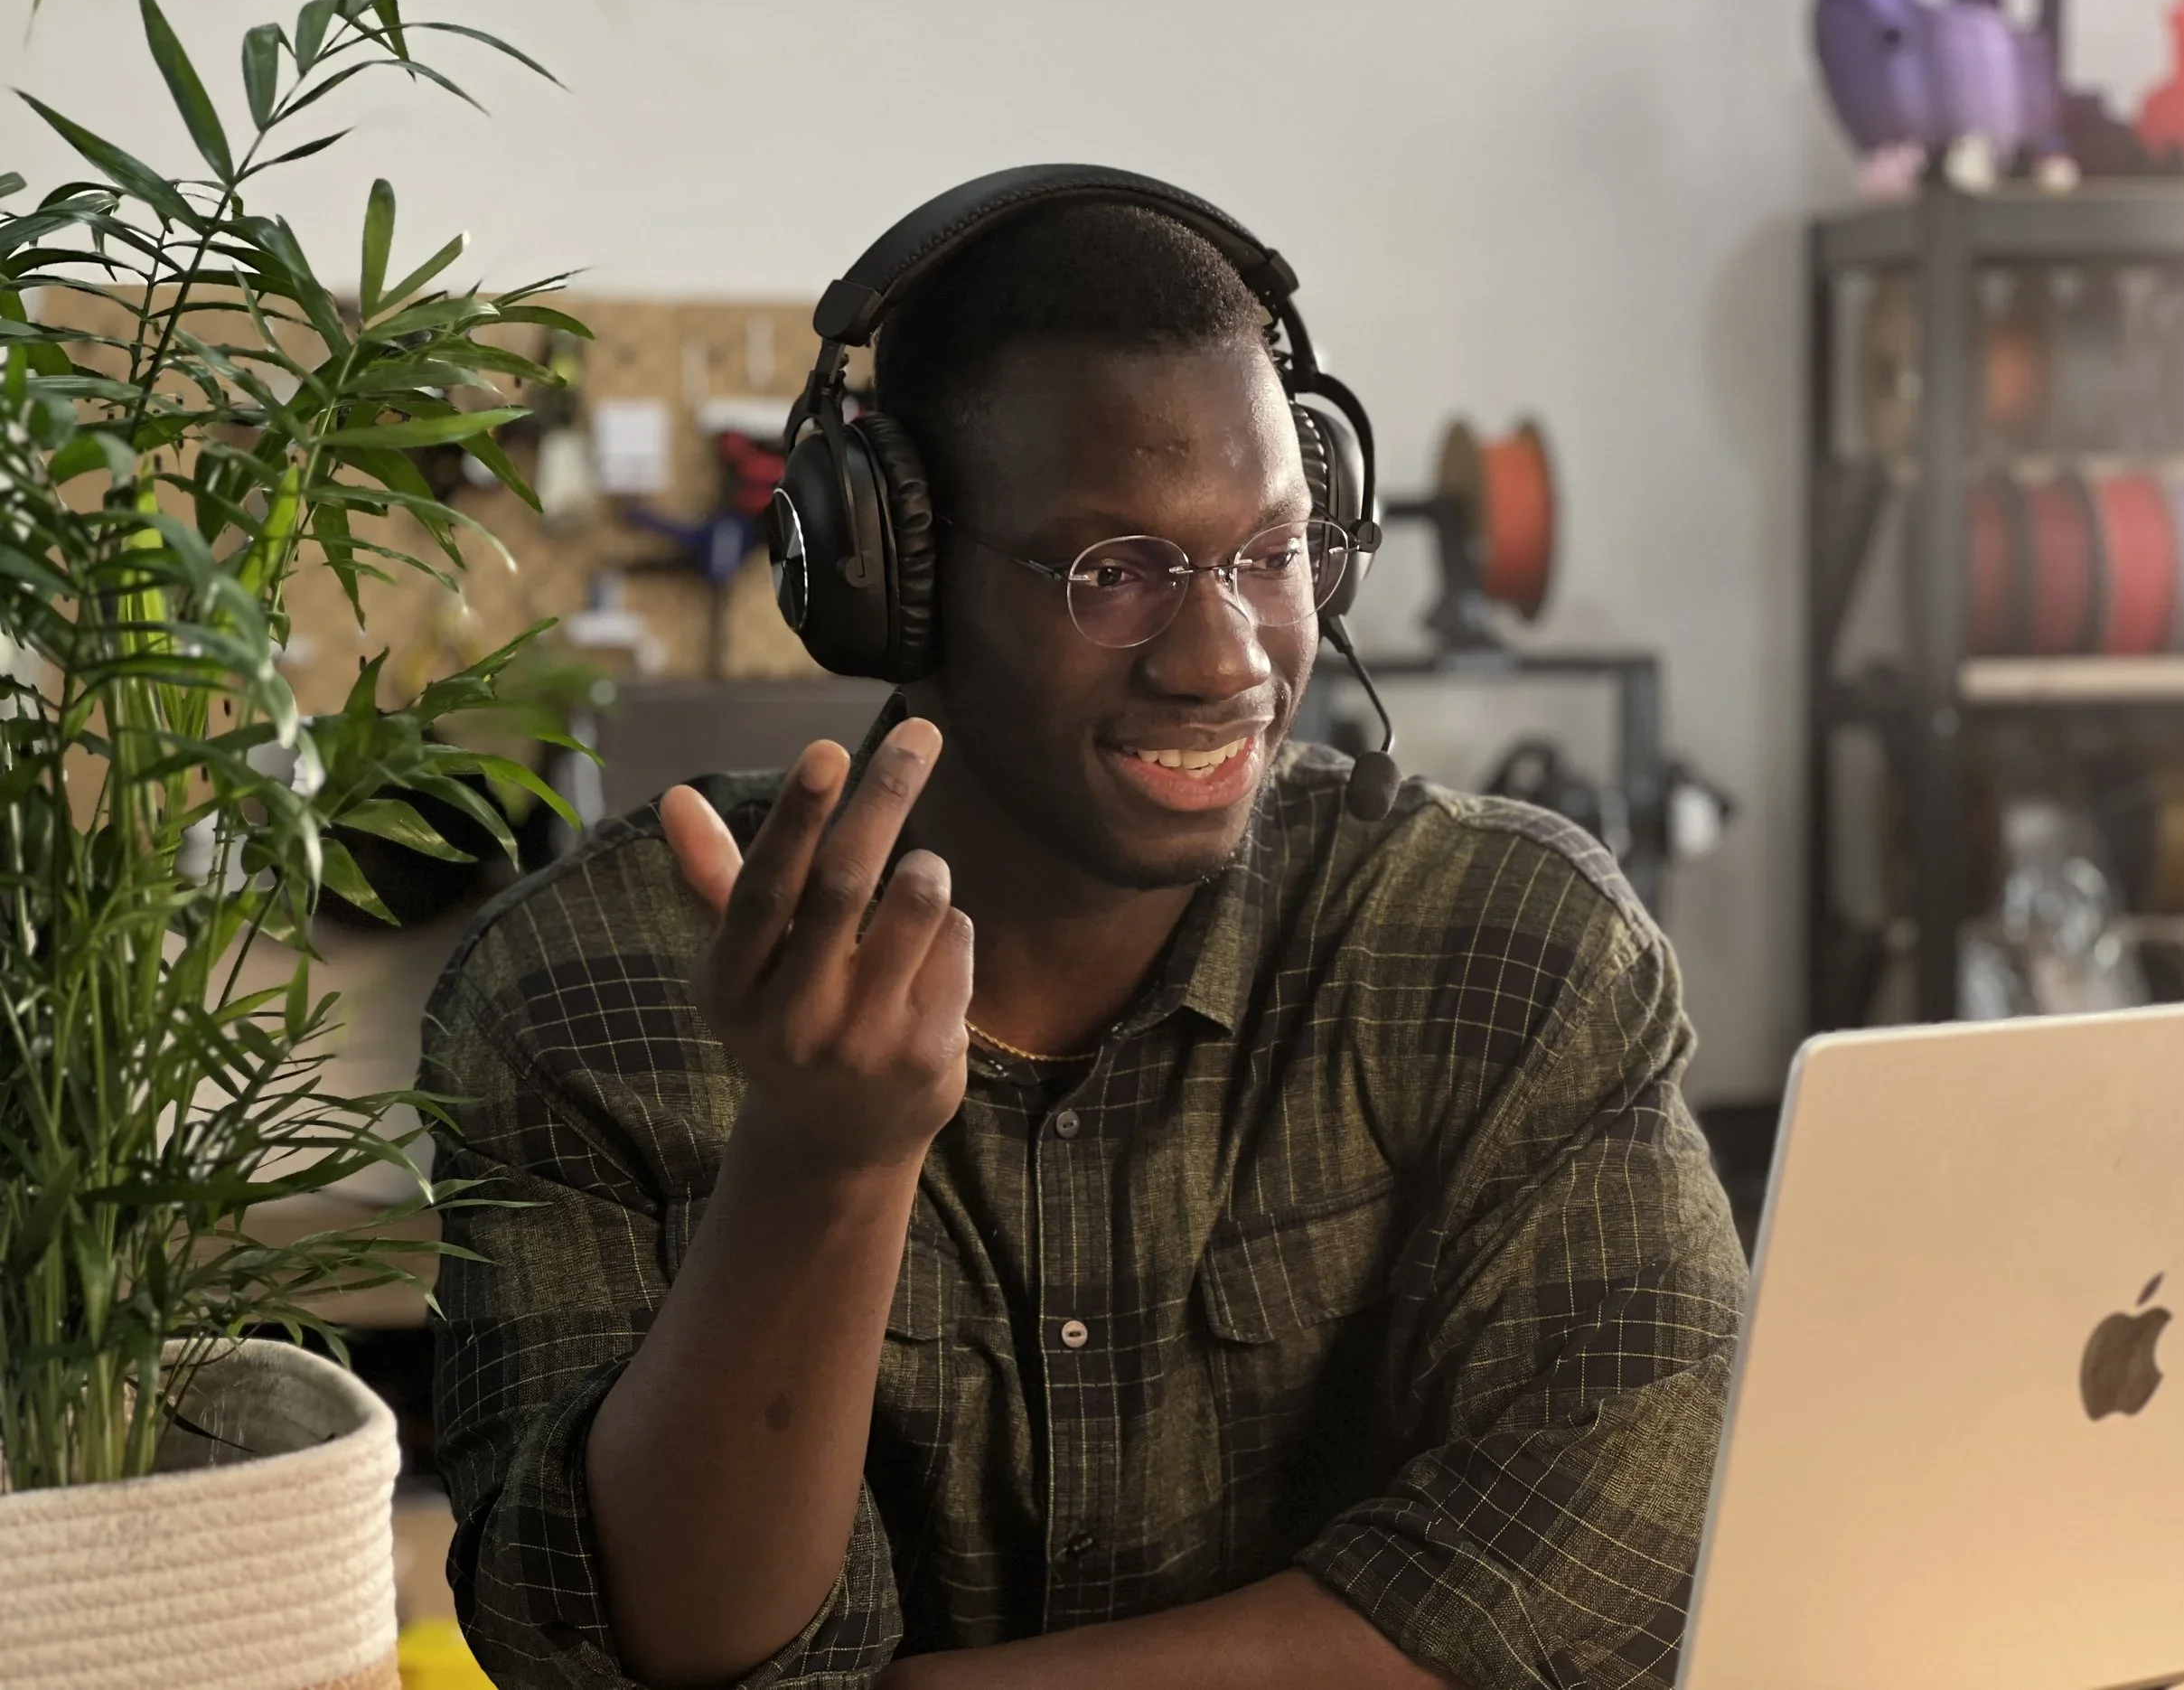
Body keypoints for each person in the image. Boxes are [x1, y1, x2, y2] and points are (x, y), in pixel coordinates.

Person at [424, 181, 1747, 1690]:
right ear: (892, 581)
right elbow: (625, 1650)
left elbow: (1629, 1554)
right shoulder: (588, 991)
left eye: (1270, 553)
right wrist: (819, 1164)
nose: (1228, 657)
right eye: (1110, 572)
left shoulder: (1511, 945)